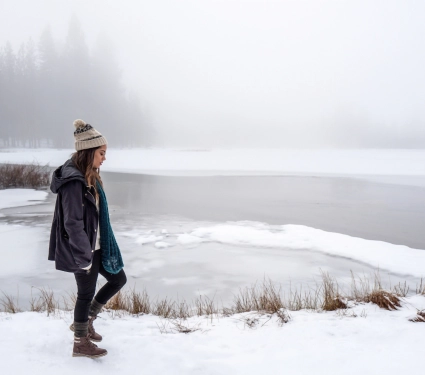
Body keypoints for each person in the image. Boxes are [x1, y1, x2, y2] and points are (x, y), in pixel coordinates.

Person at [49, 119, 126, 358]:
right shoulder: (74, 182)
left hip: (97, 245)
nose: (104, 158)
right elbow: (72, 222)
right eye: (101, 153)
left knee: (118, 279)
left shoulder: (89, 176)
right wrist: (84, 255)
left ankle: (86, 322)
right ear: (89, 151)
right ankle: (79, 342)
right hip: (83, 250)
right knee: (85, 293)